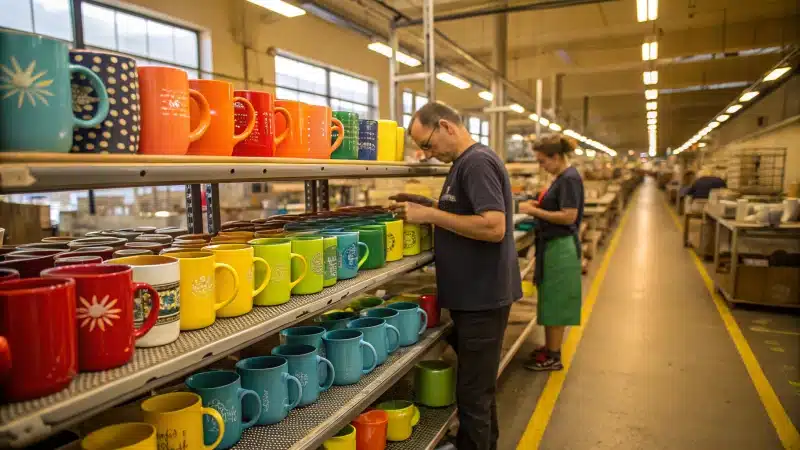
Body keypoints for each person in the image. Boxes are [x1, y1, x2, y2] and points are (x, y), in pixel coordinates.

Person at [390, 102, 521, 450]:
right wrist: (424, 204)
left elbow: (494, 227)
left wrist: (430, 216)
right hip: (475, 297)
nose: (427, 154)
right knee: (479, 391)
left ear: (446, 126)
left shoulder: (475, 163)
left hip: (483, 298)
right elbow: (462, 212)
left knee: (473, 397)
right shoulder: (462, 163)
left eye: (428, 145)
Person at [519, 134, 584, 371]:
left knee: (556, 303)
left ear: (556, 157)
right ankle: (549, 348)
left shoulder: (569, 178)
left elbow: (569, 215)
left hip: (561, 247)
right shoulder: (561, 178)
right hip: (553, 245)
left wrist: (533, 212)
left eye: (542, 161)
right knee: (549, 300)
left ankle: (554, 356)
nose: (541, 166)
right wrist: (539, 205)